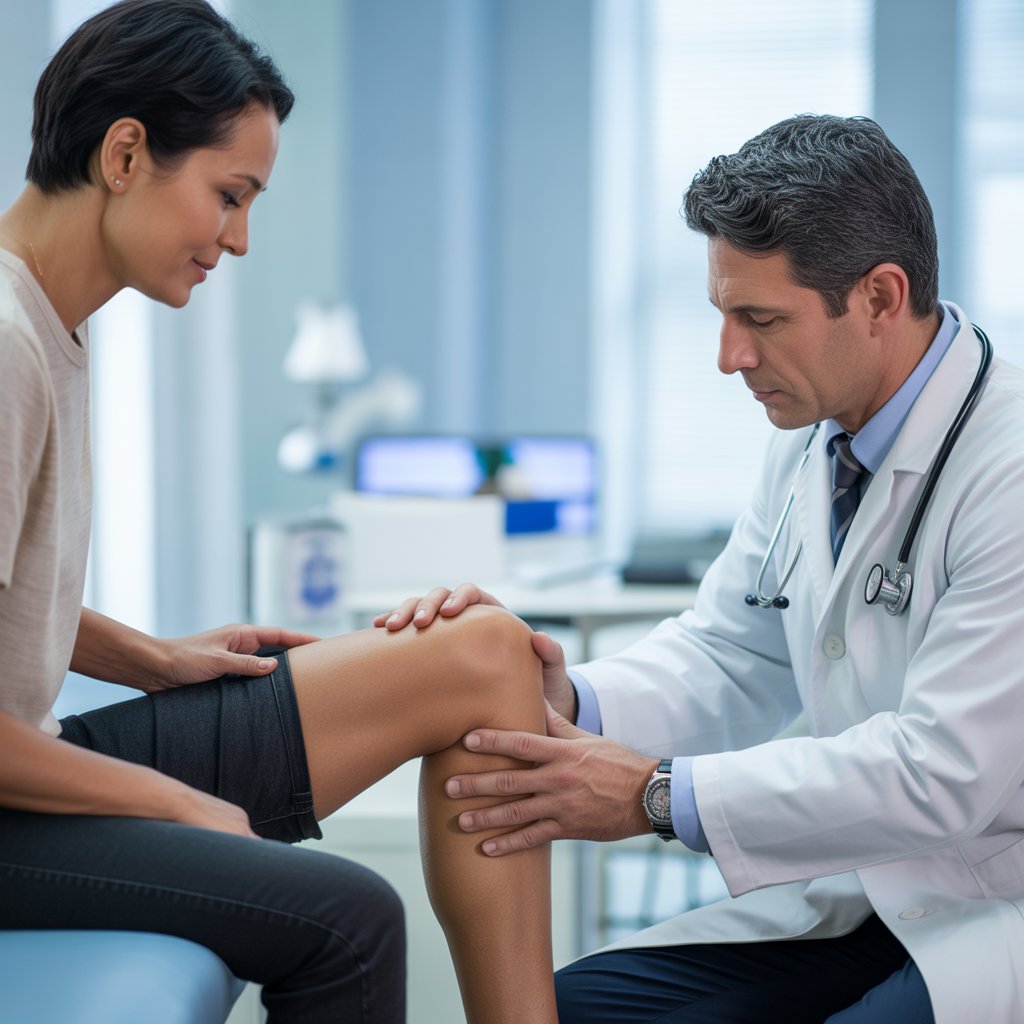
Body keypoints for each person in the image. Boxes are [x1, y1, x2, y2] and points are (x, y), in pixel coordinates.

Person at [382, 114, 1024, 1023]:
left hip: (999, 899)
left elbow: (942, 773)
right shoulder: (815, 431)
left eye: (761, 319)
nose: (730, 359)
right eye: (723, 316)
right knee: (574, 1009)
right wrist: (567, 703)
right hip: (864, 885)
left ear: (881, 297)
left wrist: (655, 797)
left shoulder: (1010, 466)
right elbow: (733, 649)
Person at [0, 3, 558, 1022]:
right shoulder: (4, 344)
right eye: (229, 195)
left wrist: (154, 658)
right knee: (349, 918)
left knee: (482, 650)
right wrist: (179, 803)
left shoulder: (45, 323)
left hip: (28, 755)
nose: (241, 239)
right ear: (125, 154)